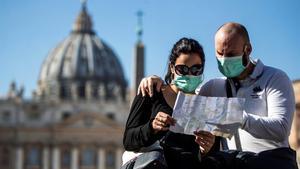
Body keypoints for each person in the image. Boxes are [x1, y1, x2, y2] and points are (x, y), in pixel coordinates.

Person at [138, 22, 298, 169]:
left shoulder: (274, 78)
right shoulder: (214, 87)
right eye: (219, 53)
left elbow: (281, 129)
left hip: (269, 163)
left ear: (247, 50)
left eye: (230, 54)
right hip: (234, 164)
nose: (224, 60)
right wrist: (155, 81)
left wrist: (239, 118)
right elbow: (185, 101)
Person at [123, 38, 220, 169]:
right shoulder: (151, 92)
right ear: (172, 68)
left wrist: (208, 149)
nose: (189, 75)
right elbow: (129, 141)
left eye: (196, 69)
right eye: (183, 69)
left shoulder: (207, 108)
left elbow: (212, 159)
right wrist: (152, 127)